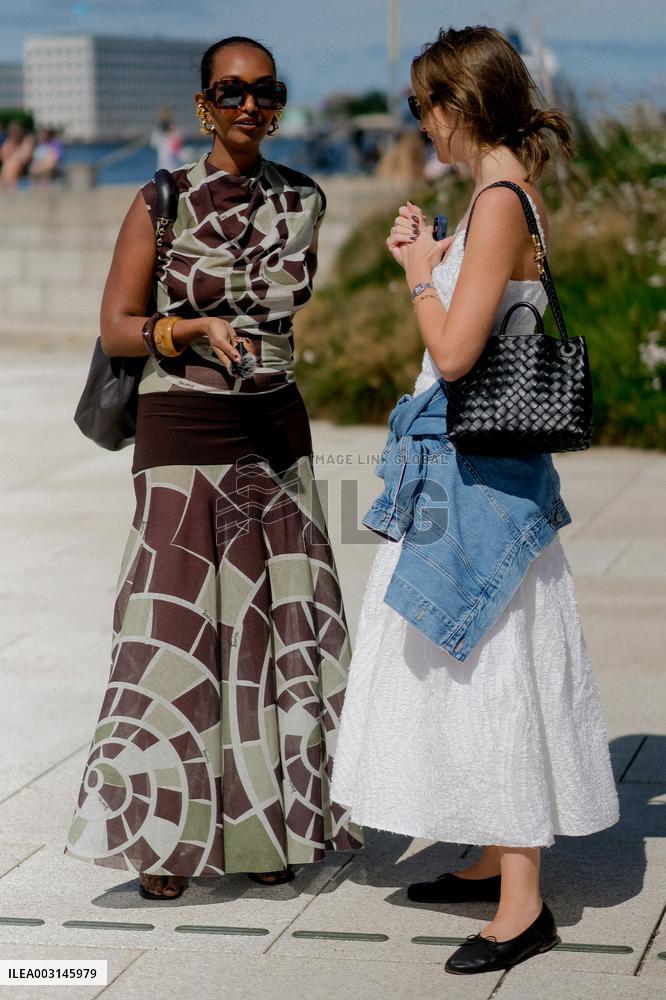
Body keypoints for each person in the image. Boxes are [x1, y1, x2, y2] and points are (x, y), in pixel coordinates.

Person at [330, 25, 619, 976]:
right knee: (471, 655)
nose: (422, 123)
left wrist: (418, 273)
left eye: (426, 104)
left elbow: (454, 356)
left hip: (480, 478)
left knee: (490, 663)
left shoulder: (499, 199)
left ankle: (523, 902)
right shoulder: (501, 197)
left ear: (463, 103)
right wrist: (438, 254)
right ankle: (496, 856)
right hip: (472, 472)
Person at [64, 35, 363, 902]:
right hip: (184, 419)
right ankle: (160, 836)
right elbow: (119, 324)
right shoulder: (163, 198)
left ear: (278, 103)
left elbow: (285, 309)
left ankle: (267, 825)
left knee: (278, 630)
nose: (247, 107)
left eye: (264, 92)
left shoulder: (305, 199)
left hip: (275, 421)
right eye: (230, 93)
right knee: (174, 629)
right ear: (204, 103)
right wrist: (189, 330)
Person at [0, 120, 35, 188]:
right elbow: (3, 156)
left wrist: (13, 154)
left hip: (22, 172)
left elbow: (26, 157)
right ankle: (6, 183)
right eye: (12, 131)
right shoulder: (9, 142)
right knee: (9, 162)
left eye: (16, 131)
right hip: (8, 173)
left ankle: (8, 183)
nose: (14, 133)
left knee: (14, 162)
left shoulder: (27, 140)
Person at [150, 106, 184, 172]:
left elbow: (177, 149)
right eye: (163, 116)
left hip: (174, 167)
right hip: (162, 166)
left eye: (166, 116)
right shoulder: (157, 133)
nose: (165, 118)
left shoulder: (176, 133)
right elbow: (154, 145)